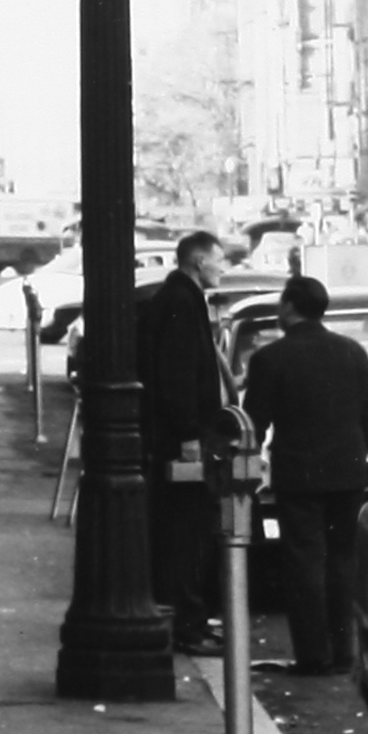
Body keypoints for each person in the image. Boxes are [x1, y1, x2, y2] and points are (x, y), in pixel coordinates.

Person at [240, 275, 368, 675]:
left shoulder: (270, 358)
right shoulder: (353, 352)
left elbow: (254, 423)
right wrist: (354, 454)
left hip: (298, 472)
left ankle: (313, 654)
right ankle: (343, 651)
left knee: (304, 561)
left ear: (287, 307)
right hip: (347, 471)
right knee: (342, 560)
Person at [136, 227, 230, 653]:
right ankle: (187, 622)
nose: (223, 267)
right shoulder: (179, 302)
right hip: (184, 439)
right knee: (187, 533)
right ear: (198, 261)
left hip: (183, 435)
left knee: (188, 532)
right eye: (219, 259)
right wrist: (190, 435)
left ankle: (190, 617)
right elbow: (178, 376)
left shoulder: (183, 299)